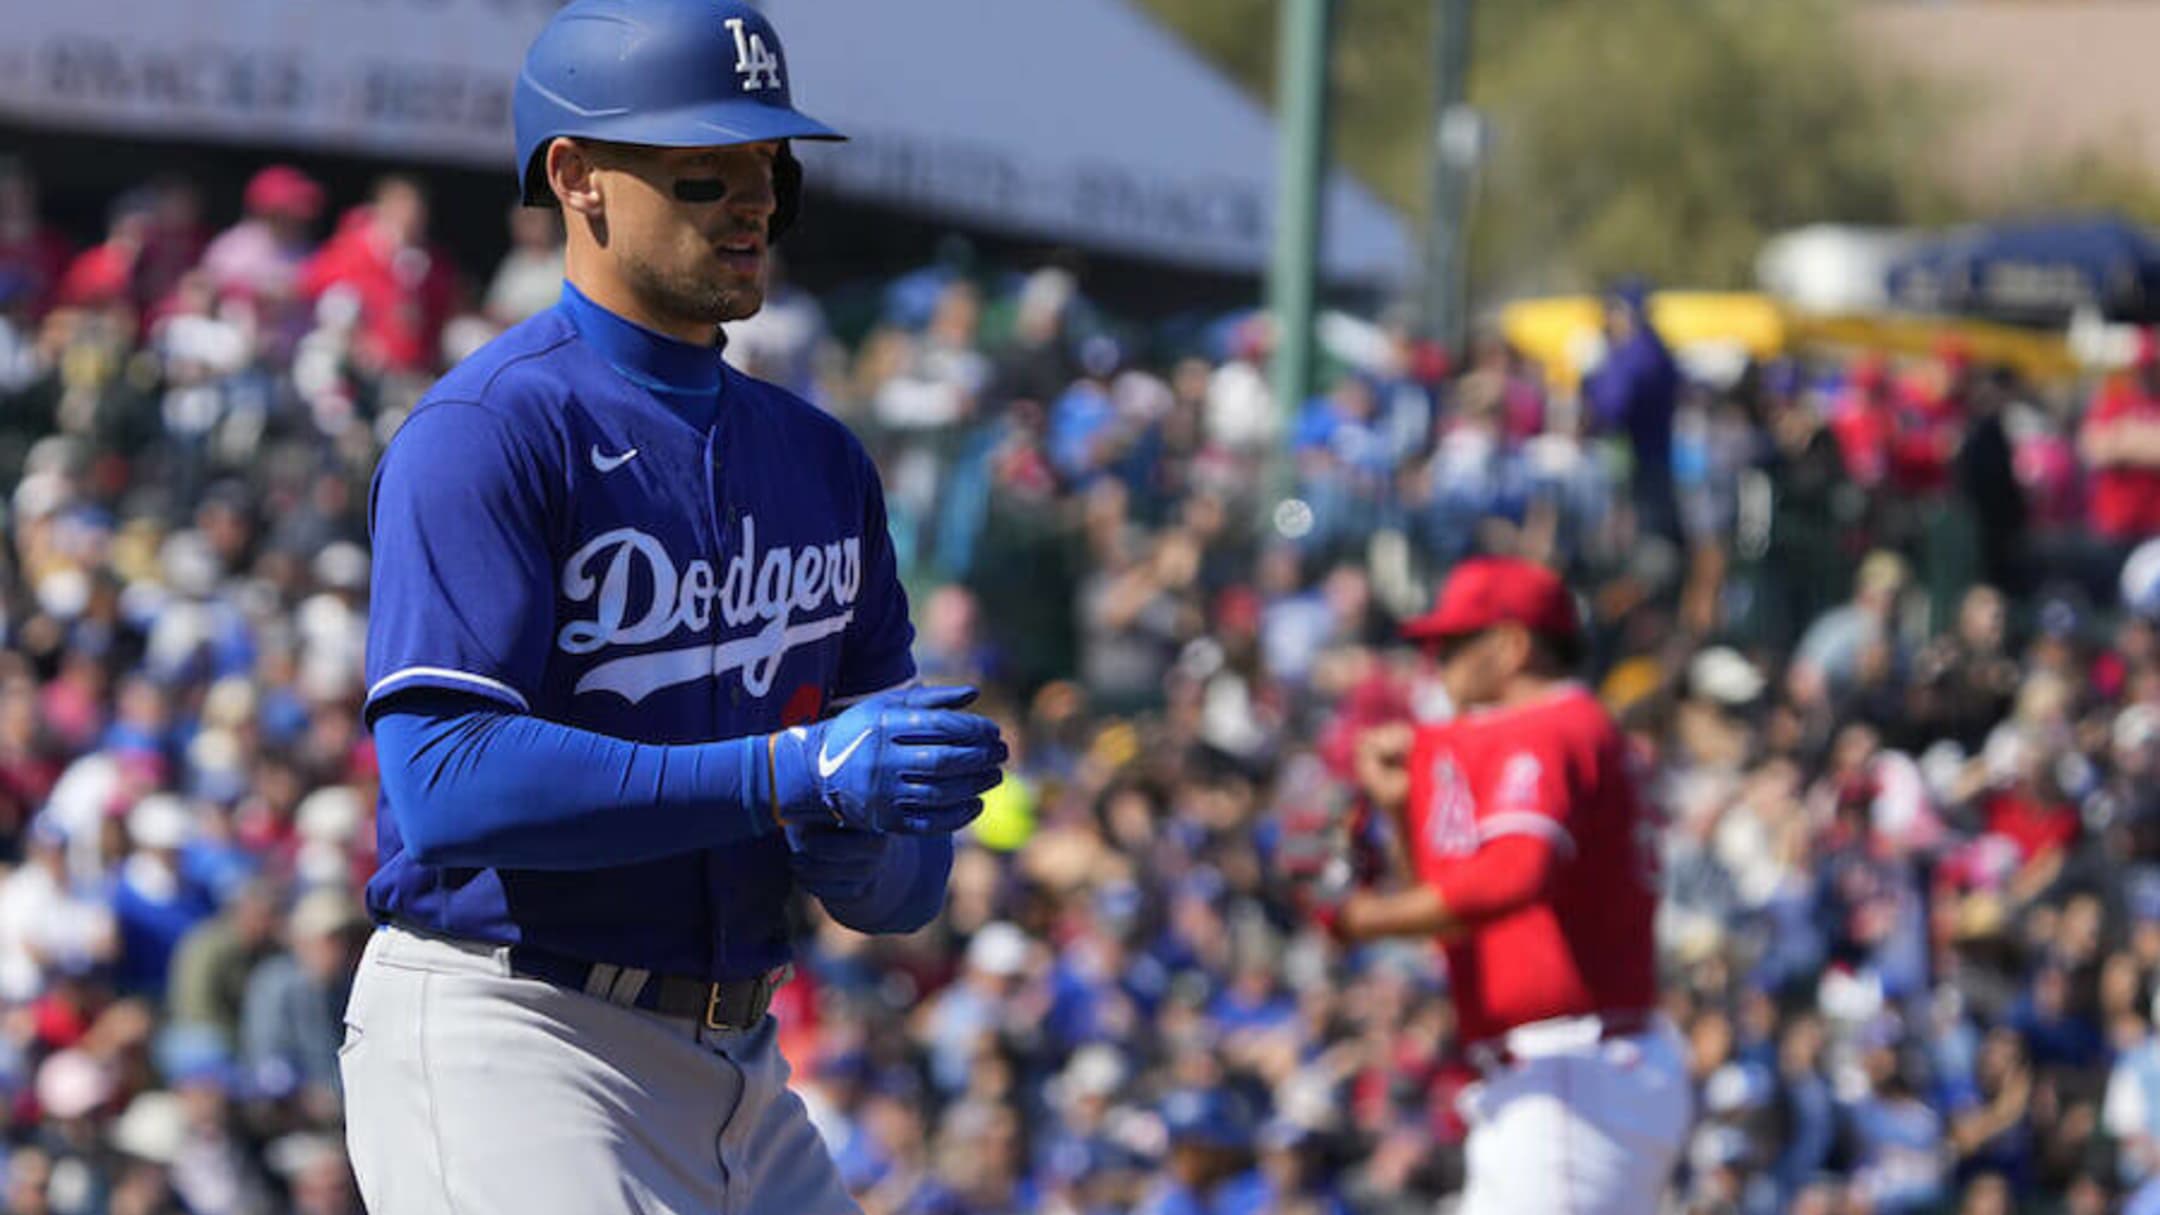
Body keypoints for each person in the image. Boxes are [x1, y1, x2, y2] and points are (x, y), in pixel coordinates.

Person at [338, 4, 1008, 1214]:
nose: (752, 199)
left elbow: (894, 896)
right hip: (516, 1035)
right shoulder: (487, 433)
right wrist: (790, 772)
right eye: (706, 169)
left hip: (743, 1061)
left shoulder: (819, 459)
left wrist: (885, 839)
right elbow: (444, 783)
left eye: (771, 167)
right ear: (576, 176)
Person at [1299, 556, 1691, 1214]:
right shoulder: (1575, 726)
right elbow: (1460, 908)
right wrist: (1401, 808)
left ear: (1512, 644)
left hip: (1571, 1073)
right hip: (1559, 1075)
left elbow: (1515, 875)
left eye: (1451, 644)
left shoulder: (1549, 725)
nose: (1436, 661)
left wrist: (1358, 918)